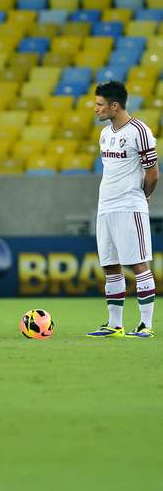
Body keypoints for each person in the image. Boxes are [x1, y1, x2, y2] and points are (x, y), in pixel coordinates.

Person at [87, 81, 158, 338]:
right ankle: (115, 325)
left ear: (114, 105)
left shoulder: (140, 131)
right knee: (110, 266)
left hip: (130, 206)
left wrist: (143, 196)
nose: (95, 109)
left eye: (99, 104)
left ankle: (145, 325)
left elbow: (153, 174)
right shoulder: (105, 133)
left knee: (139, 264)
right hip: (105, 207)